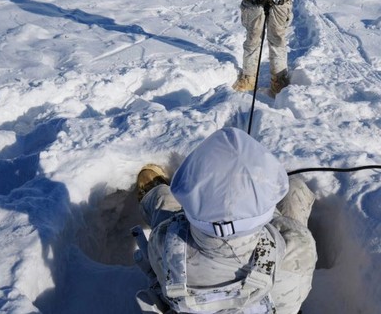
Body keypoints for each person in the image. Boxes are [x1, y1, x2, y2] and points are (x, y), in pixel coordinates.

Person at [133, 127, 317, 314]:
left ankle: (152, 193)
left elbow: (160, 266)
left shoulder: (164, 239)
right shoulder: (299, 247)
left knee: (163, 199)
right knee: (296, 191)